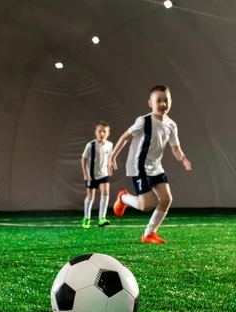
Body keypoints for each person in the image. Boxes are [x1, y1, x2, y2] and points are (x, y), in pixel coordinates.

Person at [109, 85, 191, 243]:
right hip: (139, 167)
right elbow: (125, 137)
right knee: (146, 206)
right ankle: (123, 197)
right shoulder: (144, 121)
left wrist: (183, 159)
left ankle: (149, 233)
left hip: (156, 167)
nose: (162, 104)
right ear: (150, 103)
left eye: (165, 100)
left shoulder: (171, 125)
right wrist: (112, 155)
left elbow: (175, 148)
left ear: (170, 101)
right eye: (158, 100)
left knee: (167, 199)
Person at [81, 121, 114, 228]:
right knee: (90, 196)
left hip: (103, 174)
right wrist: (85, 174)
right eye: (100, 131)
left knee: (106, 193)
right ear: (95, 132)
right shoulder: (90, 145)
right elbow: (83, 159)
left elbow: (109, 157)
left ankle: (102, 218)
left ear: (108, 133)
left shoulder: (109, 145)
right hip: (92, 175)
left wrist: (110, 166)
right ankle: (86, 218)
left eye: (104, 131)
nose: (102, 134)